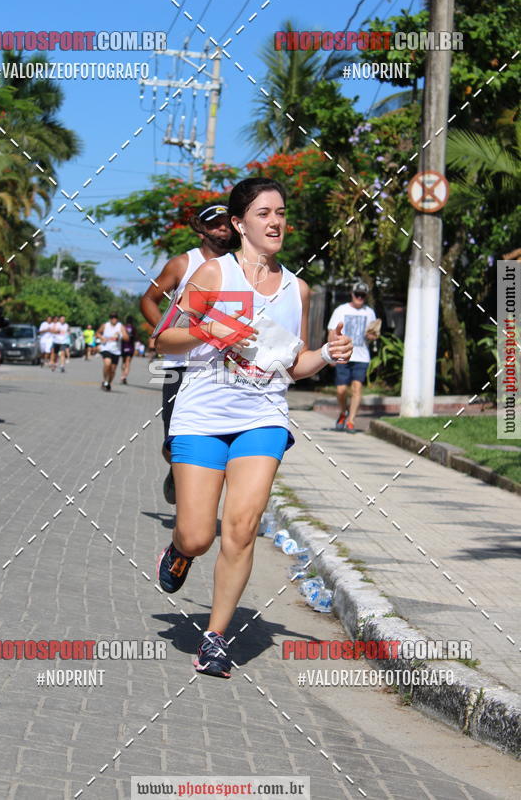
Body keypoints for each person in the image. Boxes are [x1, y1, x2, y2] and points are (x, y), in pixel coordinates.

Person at [154, 177, 353, 678]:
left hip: (262, 417)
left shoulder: (296, 288)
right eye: (263, 213)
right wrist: (209, 326)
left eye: (281, 212)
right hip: (202, 414)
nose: (275, 221)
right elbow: (165, 339)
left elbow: (294, 363)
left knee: (241, 530)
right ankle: (180, 551)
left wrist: (327, 355)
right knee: (199, 535)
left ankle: (216, 639)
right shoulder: (212, 274)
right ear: (240, 224)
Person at [140, 202, 233, 505]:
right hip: (180, 365)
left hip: (222, 367)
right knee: (173, 440)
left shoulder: (240, 265)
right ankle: (175, 468)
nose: (223, 229)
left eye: (226, 224)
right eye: (216, 224)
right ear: (202, 229)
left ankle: (196, 497)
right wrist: (164, 333)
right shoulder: (183, 263)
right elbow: (149, 300)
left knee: (215, 434)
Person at [327, 282, 378, 434]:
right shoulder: (341, 310)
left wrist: (372, 336)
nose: (360, 298)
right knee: (341, 390)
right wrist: (330, 354)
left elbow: (373, 334)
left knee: (357, 388)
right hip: (343, 354)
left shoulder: (369, 312)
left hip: (361, 356)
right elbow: (331, 332)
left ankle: (351, 420)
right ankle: (343, 412)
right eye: (357, 294)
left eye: (363, 295)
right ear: (352, 294)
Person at [96, 312, 128, 391]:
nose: (114, 319)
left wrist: (120, 335)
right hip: (106, 348)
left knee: (113, 370)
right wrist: (101, 337)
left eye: (115, 317)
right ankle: (104, 380)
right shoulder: (105, 325)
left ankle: (108, 383)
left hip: (116, 351)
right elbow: (97, 333)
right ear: (110, 318)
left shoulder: (120, 326)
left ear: (117, 318)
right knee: (107, 363)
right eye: (112, 317)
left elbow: (127, 338)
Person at [119, 315, 137, 384]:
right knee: (128, 363)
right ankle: (124, 377)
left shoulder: (123, 327)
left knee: (123, 362)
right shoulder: (133, 328)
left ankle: (122, 375)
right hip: (130, 347)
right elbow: (135, 338)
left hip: (123, 347)